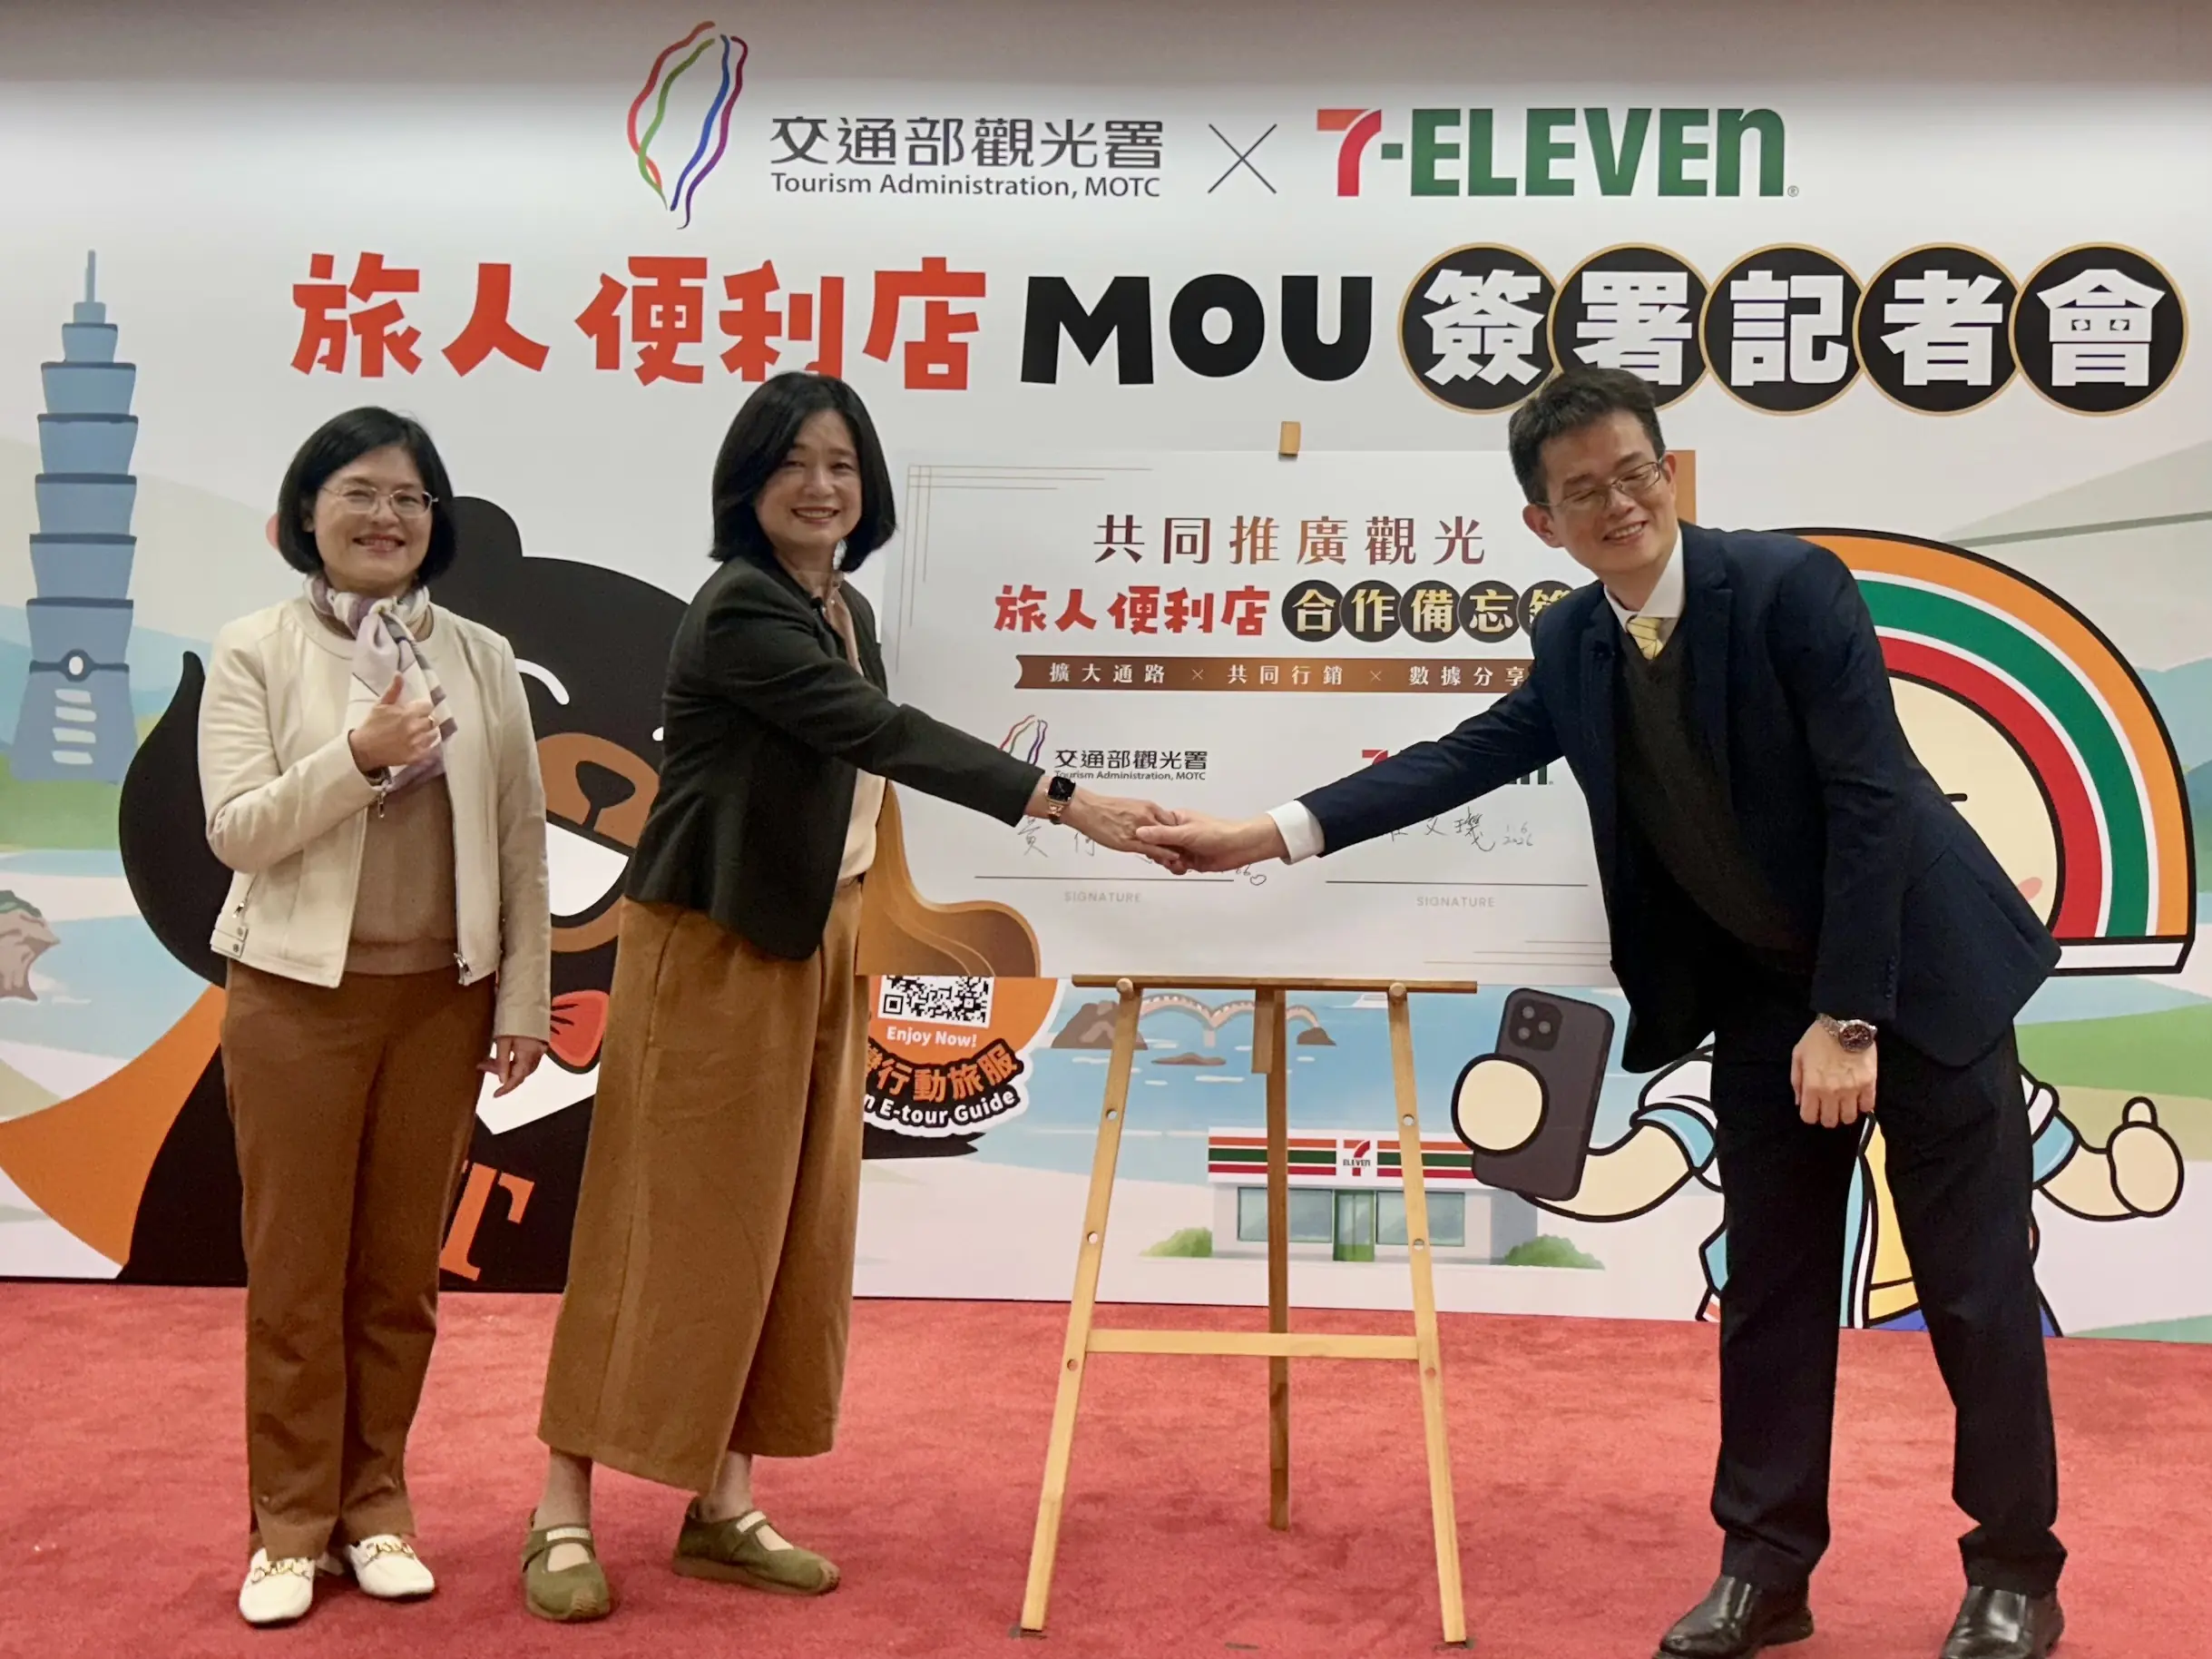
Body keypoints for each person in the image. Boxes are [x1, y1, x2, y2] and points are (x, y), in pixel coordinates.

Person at [1141, 368, 2066, 1659]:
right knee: (1771, 1290)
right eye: (1584, 491)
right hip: (1763, 999)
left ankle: (2015, 1571)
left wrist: (1851, 1017)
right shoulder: (1574, 641)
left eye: (1635, 473)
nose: (1620, 503)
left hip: (1920, 980)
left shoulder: (1789, 587)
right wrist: (1265, 834)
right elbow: (1460, 758)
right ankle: (1766, 1571)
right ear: (1544, 522)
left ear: (1668, 473)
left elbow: (1868, 797)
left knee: (1972, 1290)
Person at [522, 372, 1178, 1623]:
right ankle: (561, 1509)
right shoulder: (740, 609)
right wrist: (1065, 801)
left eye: (842, 465)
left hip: (818, 937)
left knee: (785, 1231)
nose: (821, 487)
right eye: (793, 463)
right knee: (659, 1224)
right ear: (747, 482)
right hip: (713, 943)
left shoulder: (844, 605)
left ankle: (722, 1507)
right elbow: (878, 731)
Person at [199, 407, 551, 1626]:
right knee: (297, 1277)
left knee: (401, 1279)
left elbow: (520, 841)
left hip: (439, 1004)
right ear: (308, 512)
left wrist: (521, 997)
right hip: (296, 1000)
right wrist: (358, 755)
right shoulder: (254, 649)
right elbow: (236, 831)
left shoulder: (484, 657)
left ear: (432, 522)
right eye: (357, 492)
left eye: (408, 497)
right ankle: (289, 1529)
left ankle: (377, 1510)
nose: (384, 517)